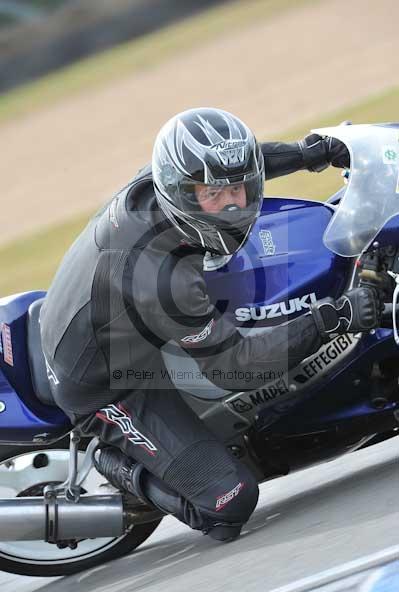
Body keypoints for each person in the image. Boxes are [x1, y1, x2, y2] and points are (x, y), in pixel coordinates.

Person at [40, 108, 381, 542]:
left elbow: (244, 163)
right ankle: (118, 465)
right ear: (183, 193)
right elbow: (233, 368)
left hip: (104, 317)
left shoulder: (166, 177)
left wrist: (310, 152)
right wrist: (334, 318)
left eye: (236, 189)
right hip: (105, 384)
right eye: (213, 195)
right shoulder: (165, 278)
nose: (233, 204)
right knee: (230, 503)